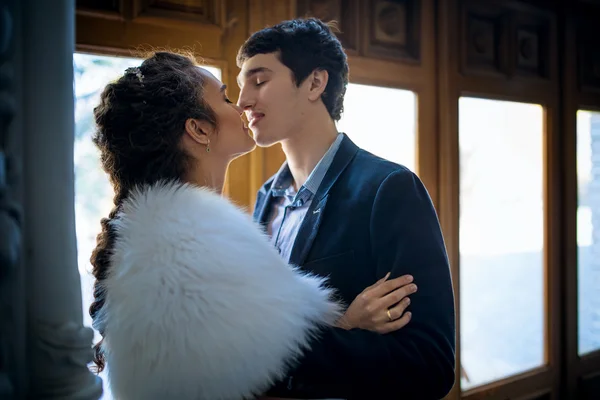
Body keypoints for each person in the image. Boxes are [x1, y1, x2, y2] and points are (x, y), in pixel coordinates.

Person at [88, 51, 415, 400]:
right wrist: (347, 324)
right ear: (199, 129)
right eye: (226, 97)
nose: (242, 104)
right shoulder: (191, 244)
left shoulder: (162, 235)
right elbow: (262, 373)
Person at [236, 18, 456, 399]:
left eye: (259, 81)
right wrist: (344, 324)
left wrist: (291, 346)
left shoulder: (389, 189)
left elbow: (430, 364)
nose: (243, 101)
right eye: (241, 87)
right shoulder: (266, 198)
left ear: (315, 82)